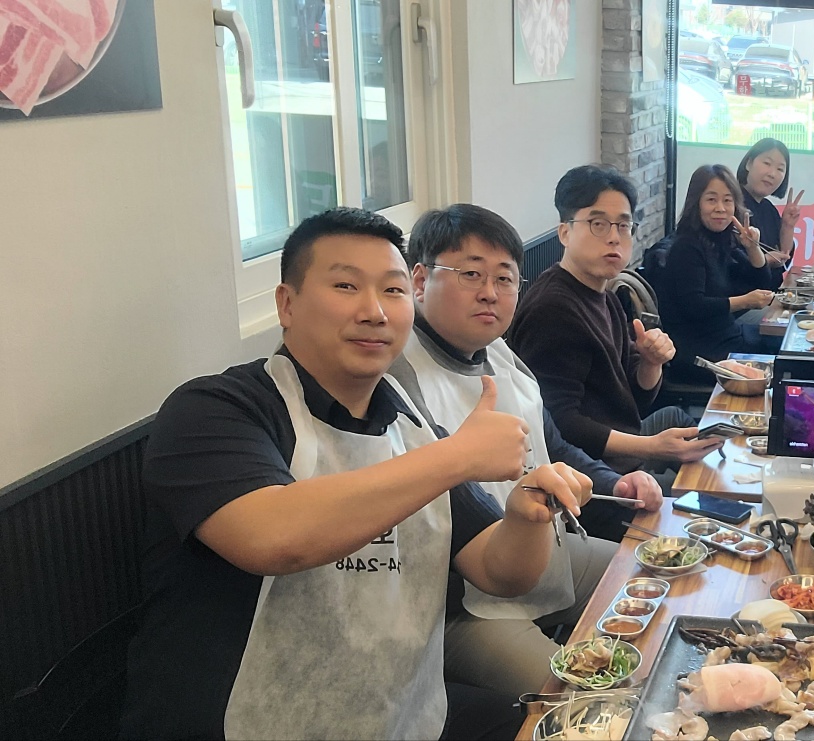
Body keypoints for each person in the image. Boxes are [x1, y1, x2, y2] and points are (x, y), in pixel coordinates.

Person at [121, 208, 593, 740]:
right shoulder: (214, 410)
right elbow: (273, 537)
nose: (374, 311)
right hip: (243, 725)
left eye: (392, 291)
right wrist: (457, 456)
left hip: (399, 711)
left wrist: (526, 514)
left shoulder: (410, 426)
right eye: (346, 286)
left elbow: (500, 573)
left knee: (574, 726)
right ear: (287, 304)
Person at [387, 203, 664, 695]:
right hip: (462, 600)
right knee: (578, 699)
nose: (490, 292)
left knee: (661, 581)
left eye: (505, 278)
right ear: (420, 280)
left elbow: (550, 443)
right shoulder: (397, 378)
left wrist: (614, 481)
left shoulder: (499, 353)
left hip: (548, 549)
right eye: (471, 274)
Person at [510, 166, 721, 513]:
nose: (613, 237)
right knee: (700, 503)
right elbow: (561, 425)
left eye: (623, 225)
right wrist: (652, 447)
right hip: (592, 477)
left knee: (688, 427)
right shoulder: (553, 309)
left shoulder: (604, 294)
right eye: (598, 224)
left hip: (621, 445)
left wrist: (650, 363)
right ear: (565, 232)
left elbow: (636, 398)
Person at [653, 164, 780, 382]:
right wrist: (745, 301)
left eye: (727, 200)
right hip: (701, 352)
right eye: (711, 199)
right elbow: (694, 305)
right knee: (783, 361)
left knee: (783, 345)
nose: (720, 208)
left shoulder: (722, 239)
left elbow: (762, 282)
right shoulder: (686, 247)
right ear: (696, 203)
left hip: (726, 335)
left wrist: (752, 247)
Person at [737, 137, 803, 270]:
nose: (772, 174)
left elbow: (783, 260)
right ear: (749, 163)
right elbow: (730, 263)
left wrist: (787, 226)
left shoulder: (769, 209)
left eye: (780, 169)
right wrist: (764, 260)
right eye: (767, 163)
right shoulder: (731, 203)